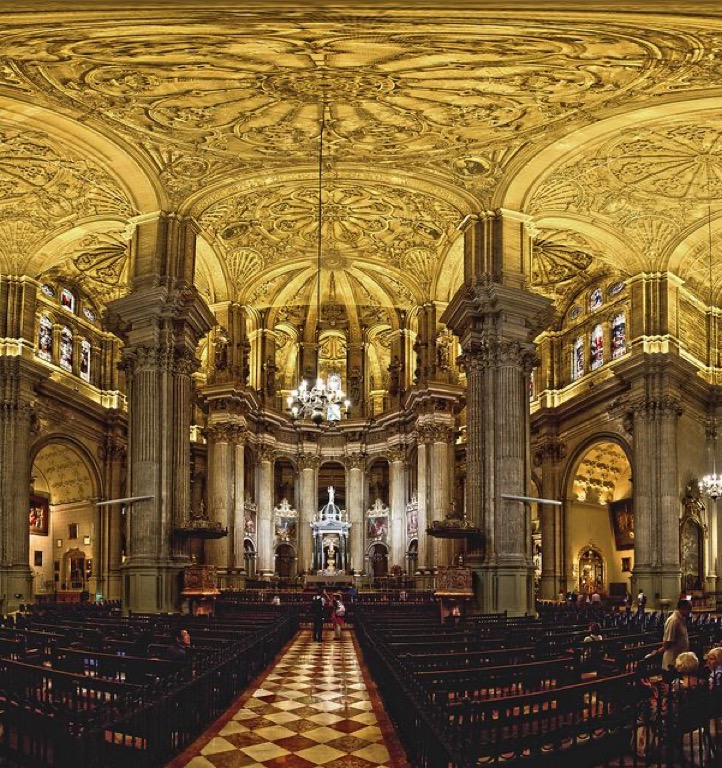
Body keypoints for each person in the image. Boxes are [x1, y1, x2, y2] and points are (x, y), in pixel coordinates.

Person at [659, 599, 692, 671]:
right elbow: (667, 642)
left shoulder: (680, 619)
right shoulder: (673, 620)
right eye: (689, 608)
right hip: (672, 661)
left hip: (679, 660)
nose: (690, 611)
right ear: (683, 608)